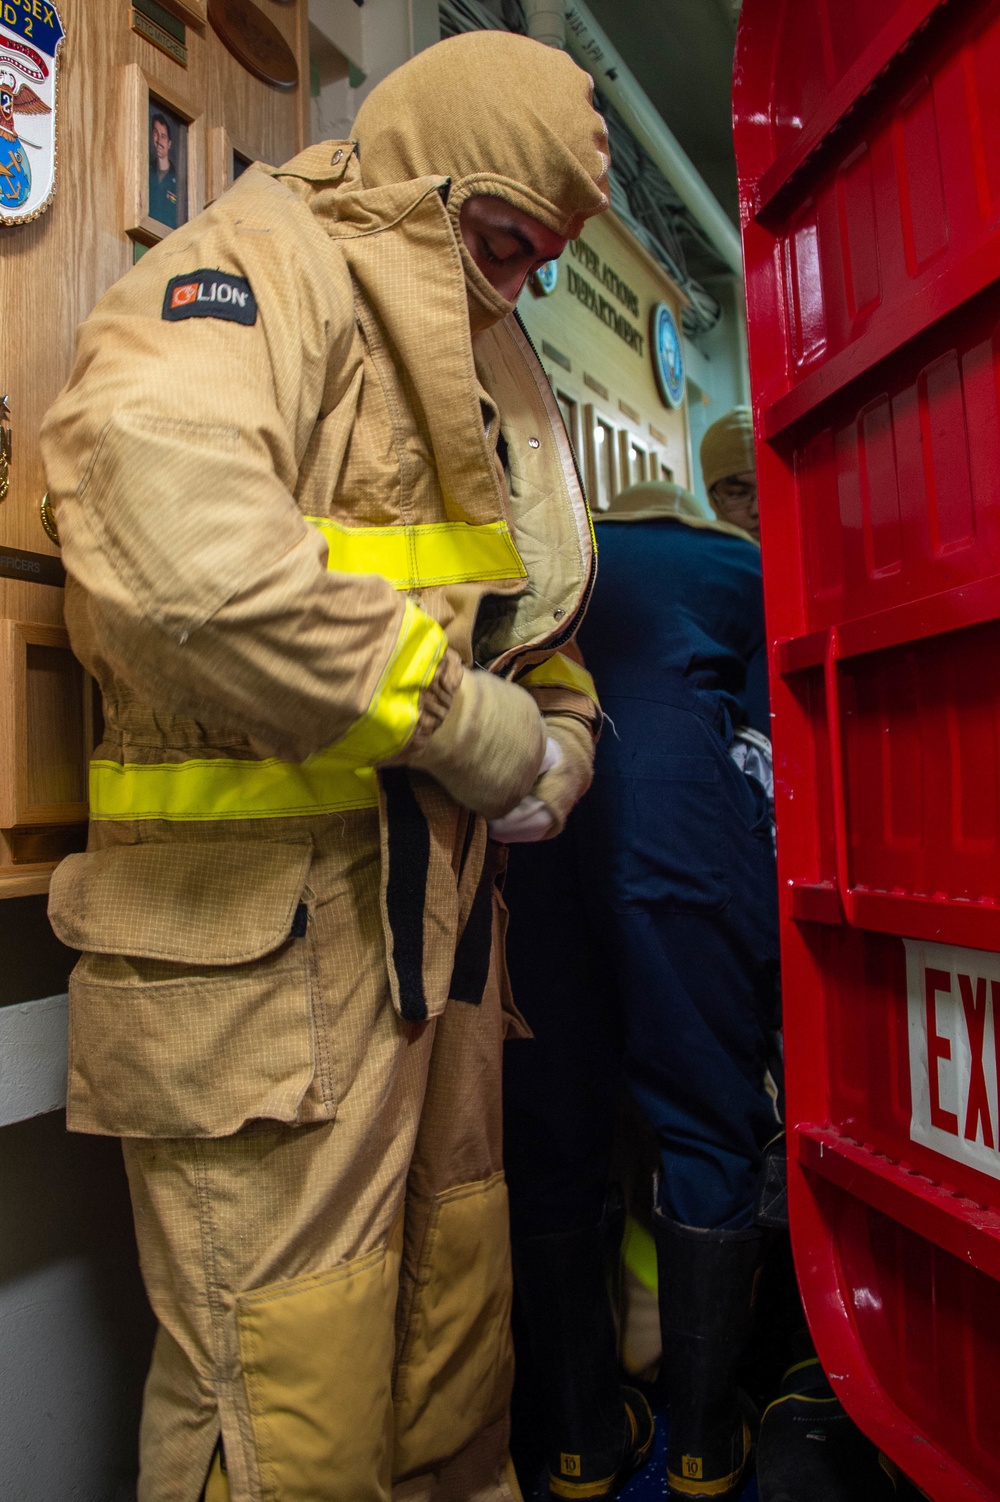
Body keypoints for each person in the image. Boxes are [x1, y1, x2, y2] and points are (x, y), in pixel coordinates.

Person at [40, 32, 610, 1502]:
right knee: (285, 1421)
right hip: (265, 980)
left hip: (439, 970)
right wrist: (477, 731)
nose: (518, 284)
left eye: (541, 262)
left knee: (444, 1376)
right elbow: (179, 549)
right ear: (428, 182)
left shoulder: (481, 359)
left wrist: (570, 736)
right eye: (500, 241)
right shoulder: (258, 267)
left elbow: (531, 624)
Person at [502, 470, 780, 1501]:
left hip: (534, 815)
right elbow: (766, 745)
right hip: (678, 827)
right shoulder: (738, 564)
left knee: (548, 1123)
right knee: (706, 1111)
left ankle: (579, 1445)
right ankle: (707, 1448)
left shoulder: (558, 555)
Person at [149, 110, 179, 229]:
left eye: (163, 136)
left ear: (169, 143)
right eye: (156, 133)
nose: (159, 141)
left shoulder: (178, 182)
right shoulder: (145, 172)